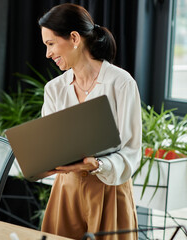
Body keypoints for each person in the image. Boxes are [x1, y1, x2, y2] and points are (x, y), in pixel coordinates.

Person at [38, 3, 141, 239]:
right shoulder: (54, 89)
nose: (48, 53)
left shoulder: (121, 83)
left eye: (51, 44)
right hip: (65, 191)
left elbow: (131, 150)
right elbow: (51, 144)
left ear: (74, 37)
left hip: (110, 191)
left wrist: (98, 164)